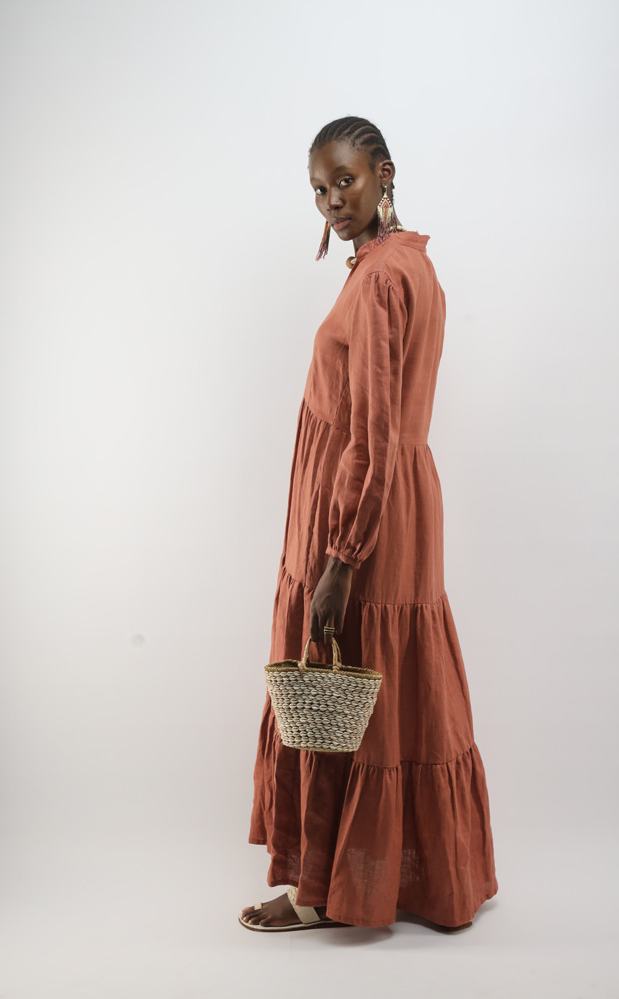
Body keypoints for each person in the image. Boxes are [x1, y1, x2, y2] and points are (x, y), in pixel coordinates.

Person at [240, 116, 498, 932]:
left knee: (337, 679)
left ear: (384, 173)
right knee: (386, 687)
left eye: (345, 180)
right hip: (400, 503)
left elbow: (375, 433)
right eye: (320, 189)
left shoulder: (384, 278)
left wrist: (342, 556)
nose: (332, 200)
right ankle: (405, 880)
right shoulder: (407, 262)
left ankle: (319, 892)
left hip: (362, 515)